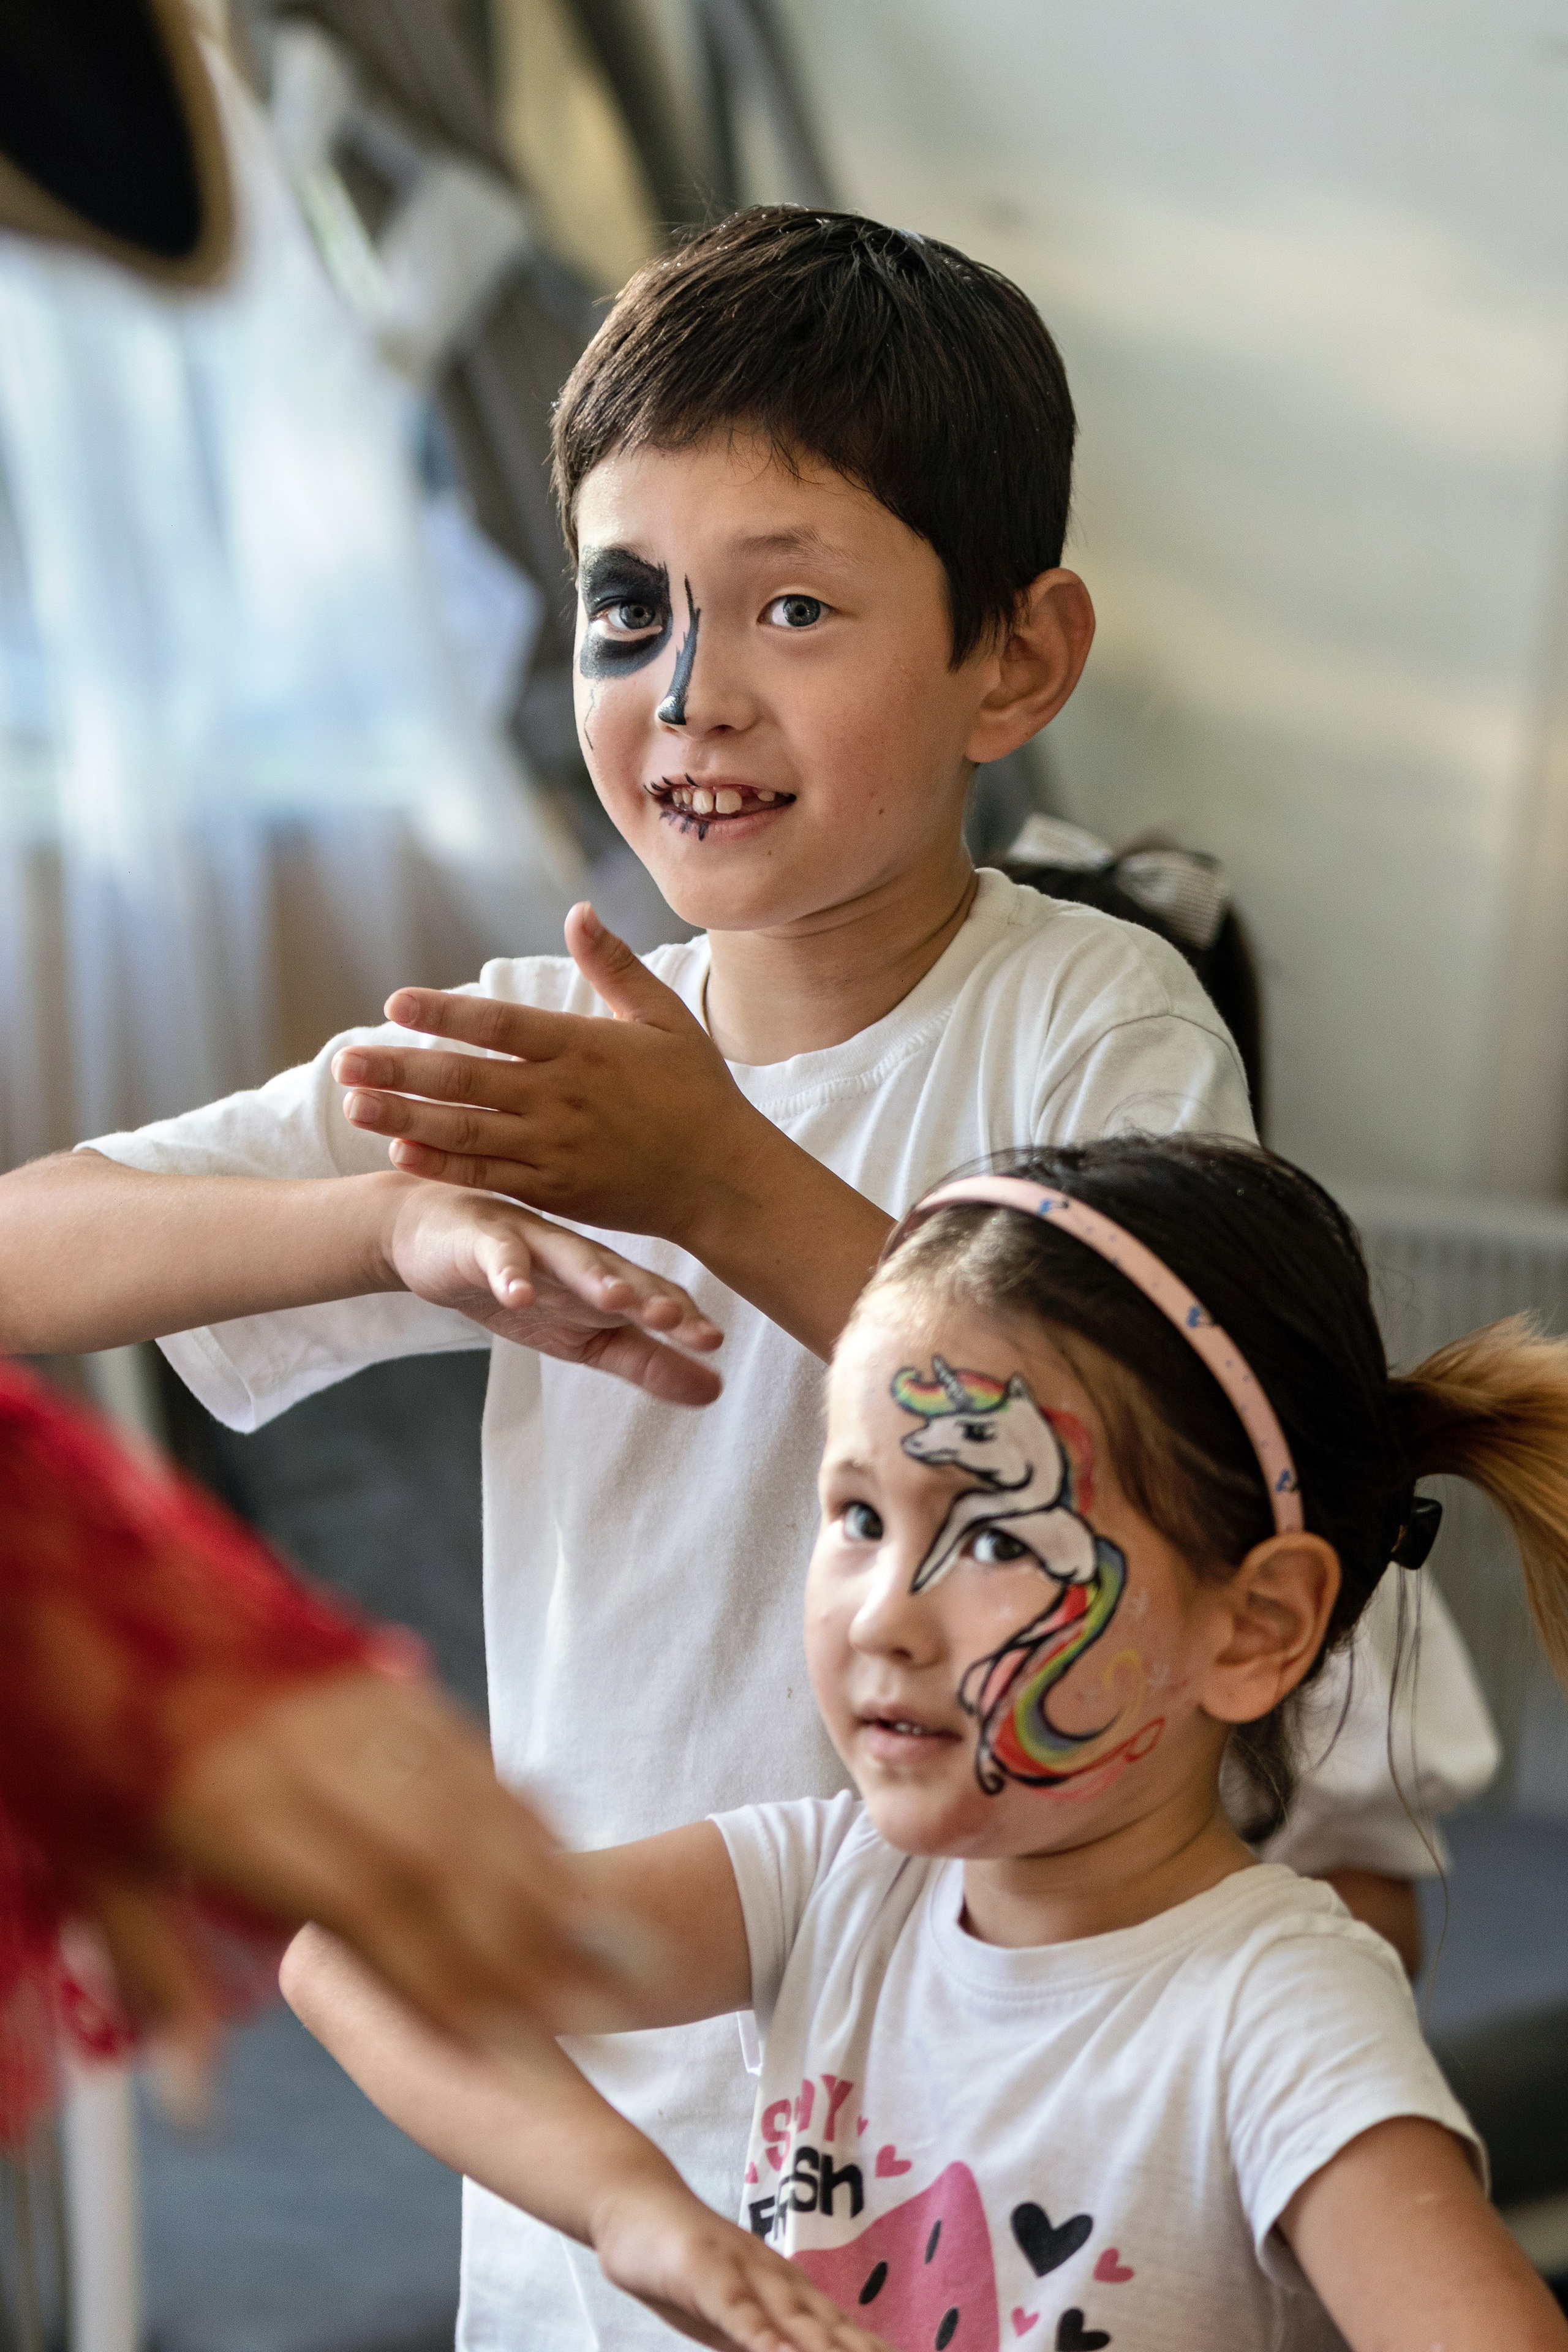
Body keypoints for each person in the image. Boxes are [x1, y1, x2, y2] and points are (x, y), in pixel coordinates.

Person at [0, 209, 1494, 2342]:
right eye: (630, 609)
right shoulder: (544, 1055)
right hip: (589, 2162)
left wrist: (713, 1180)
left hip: (987, 2149)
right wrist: (386, 1224)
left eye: (792, 606)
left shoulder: (1094, 1023)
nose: (692, 694)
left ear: (1016, 660)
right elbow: (30, 1242)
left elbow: (1121, 1446)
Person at [282, 1136, 1568, 2352]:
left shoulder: (1275, 2017)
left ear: (1254, 1628)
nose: (884, 1616)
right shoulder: (828, 1888)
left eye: (996, 1538)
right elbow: (359, 1955)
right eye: (857, 1515)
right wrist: (631, 2205)